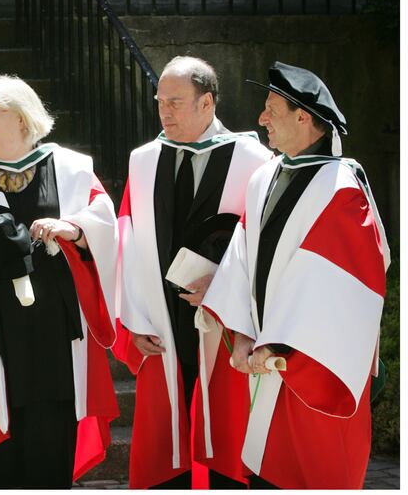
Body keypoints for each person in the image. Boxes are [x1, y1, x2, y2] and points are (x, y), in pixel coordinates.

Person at [201, 61, 390, 489]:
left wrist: (277, 344)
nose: (260, 119)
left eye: (271, 109)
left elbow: (345, 285)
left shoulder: (342, 187)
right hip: (265, 361)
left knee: (316, 472)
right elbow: (240, 260)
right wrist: (244, 335)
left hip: (313, 364)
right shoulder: (265, 175)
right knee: (270, 472)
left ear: (304, 117)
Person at [0, 75, 119, 489]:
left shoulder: (70, 168)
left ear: (23, 116)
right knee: (3, 454)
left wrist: (73, 228)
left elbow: (105, 223)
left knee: (52, 448)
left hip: (53, 335)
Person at [114, 56, 271, 489]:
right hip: (162, 327)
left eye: (176, 102)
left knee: (225, 442)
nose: (164, 112)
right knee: (166, 452)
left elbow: (264, 246)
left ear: (207, 103)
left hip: (223, 327)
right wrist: (133, 321)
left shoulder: (253, 159)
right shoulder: (143, 161)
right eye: (160, 101)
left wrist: (224, 289)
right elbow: (126, 241)